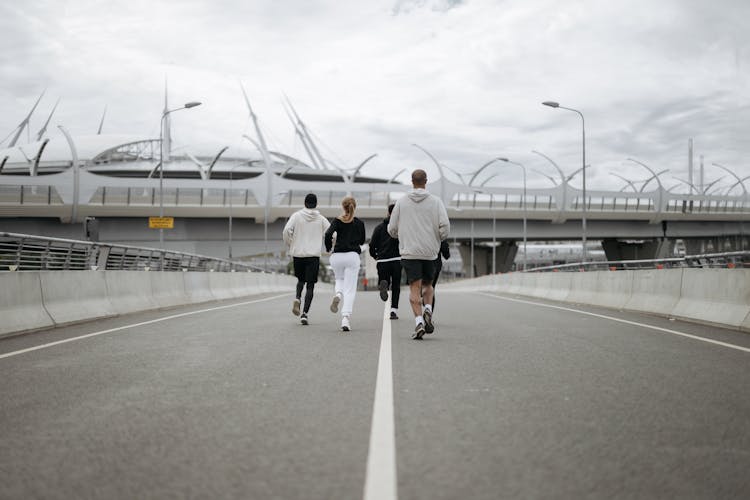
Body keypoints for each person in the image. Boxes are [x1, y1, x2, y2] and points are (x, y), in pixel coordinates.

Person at [388, 169, 450, 339]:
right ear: (426, 181)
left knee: (414, 288)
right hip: (430, 252)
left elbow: (392, 228)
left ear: (412, 181)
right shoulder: (436, 202)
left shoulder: (401, 202)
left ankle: (418, 322)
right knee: (428, 285)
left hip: (410, 252)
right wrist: (437, 239)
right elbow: (445, 227)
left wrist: (401, 235)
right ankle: (428, 310)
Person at [282, 193, 330, 325]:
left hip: (298, 255)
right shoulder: (321, 219)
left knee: (300, 280)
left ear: (304, 203)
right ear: (316, 204)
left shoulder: (296, 216)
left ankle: (297, 298)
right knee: (310, 286)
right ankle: (304, 314)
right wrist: (329, 246)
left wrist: (291, 243)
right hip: (313, 256)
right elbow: (333, 233)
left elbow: (286, 231)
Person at [325, 196, 366, 332]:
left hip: (336, 257)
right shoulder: (359, 223)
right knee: (350, 289)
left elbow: (328, 234)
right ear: (355, 206)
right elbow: (361, 241)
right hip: (352, 257)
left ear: (343, 207)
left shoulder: (337, 220)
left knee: (339, 279)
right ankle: (345, 318)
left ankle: (337, 294)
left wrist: (328, 248)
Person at [369, 203, 401, 320]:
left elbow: (372, 245)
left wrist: (375, 256)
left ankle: (384, 285)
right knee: (396, 286)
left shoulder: (379, 228)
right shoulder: (400, 227)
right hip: (397, 259)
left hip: (382, 260)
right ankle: (393, 310)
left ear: (388, 213)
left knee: (384, 280)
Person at [431, 240, 450, 311]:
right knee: (431, 288)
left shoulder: (420, 231)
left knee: (420, 287)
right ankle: (428, 310)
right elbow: (446, 255)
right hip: (435, 265)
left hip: (420, 263)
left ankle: (423, 296)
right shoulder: (439, 233)